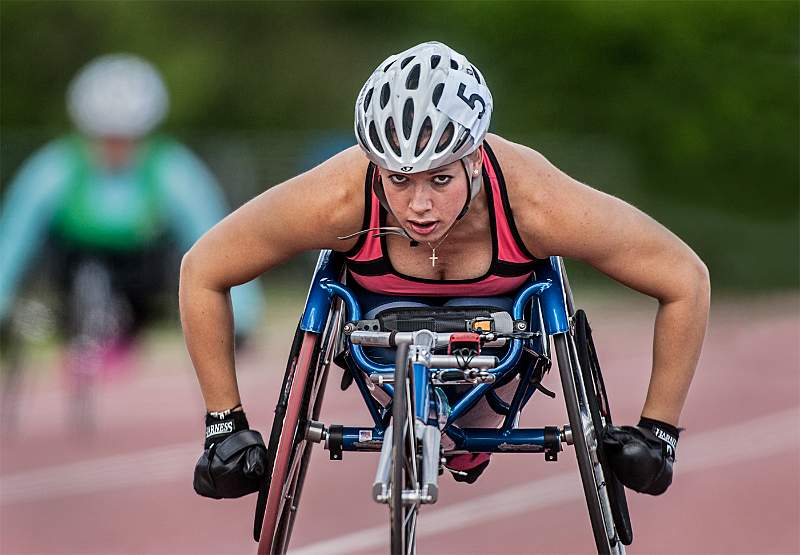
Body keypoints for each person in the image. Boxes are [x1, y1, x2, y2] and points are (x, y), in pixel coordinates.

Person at [182, 41, 710, 499]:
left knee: (466, 451)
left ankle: (464, 440)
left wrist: (658, 431)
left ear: (476, 160)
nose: (418, 207)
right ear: (374, 167)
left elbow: (685, 279)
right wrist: (223, 424)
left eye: (439, 180)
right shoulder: (338, 198)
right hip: (380, 345)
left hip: (500, 347)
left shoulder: (539, 203)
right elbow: (203, 269)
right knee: (434, 437)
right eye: (398, 181)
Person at [0, 54, 264, 430]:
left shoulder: (173, 169)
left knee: (184, 256)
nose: (116, 147)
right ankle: (88, 336)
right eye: (106, 138)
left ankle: (121, 335)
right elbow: (15, 236)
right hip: (72, 268)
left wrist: (245, 317)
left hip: (143, 275)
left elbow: (217, 235)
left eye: (126, 138)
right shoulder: (54, 168)